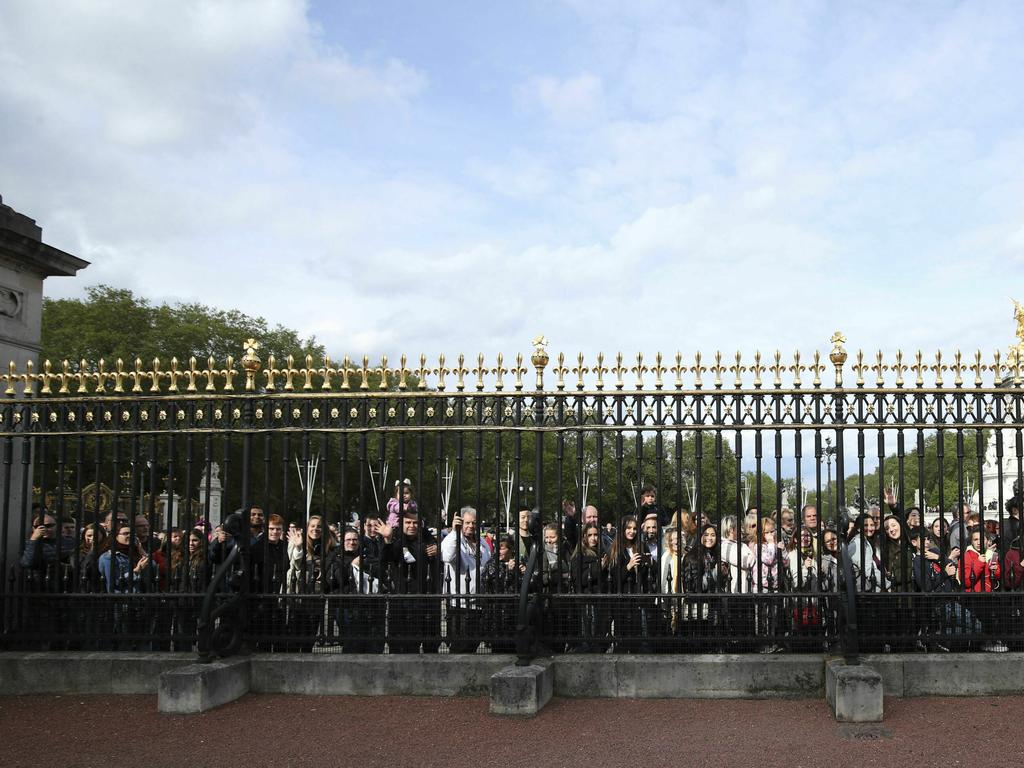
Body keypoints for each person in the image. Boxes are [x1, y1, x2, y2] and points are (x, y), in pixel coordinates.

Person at [382, 509, 440, 653]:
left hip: (425, 596)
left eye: (415, 523)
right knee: (400, 641)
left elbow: (437, 565)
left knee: (427, 641)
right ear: (401, 524)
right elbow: (386, 559)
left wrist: (437, 552)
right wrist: (387, 541)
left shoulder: (428, 540)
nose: (412, 525)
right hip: (401, 597)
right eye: (408, 522)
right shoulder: (396, 539)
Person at [441, 507, 491, 653]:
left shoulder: (482, 542)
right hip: (459, 603)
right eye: (467, 523)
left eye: (474, 523)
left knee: (474, 644)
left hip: (479, 603)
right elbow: (448, 557)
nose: (471, 526)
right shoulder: (452, 539)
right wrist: (455, 532)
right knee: (459, 646)